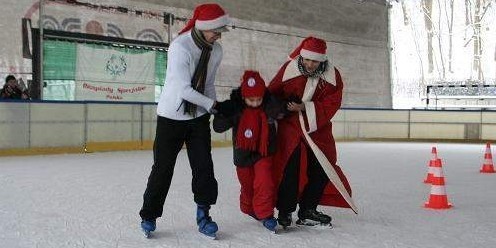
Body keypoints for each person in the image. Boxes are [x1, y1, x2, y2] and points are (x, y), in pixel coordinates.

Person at [139, 3, 231, 239]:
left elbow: (208, 84)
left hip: (197, 118)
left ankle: (203, 213)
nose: (219, 35)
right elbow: (183, 89)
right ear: (203, 27)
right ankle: (149, 215)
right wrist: (213, 105)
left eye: (221, 31)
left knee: (204, 167)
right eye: (216, 30)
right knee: (162, 169)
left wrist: (214, 109)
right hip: (171, 117)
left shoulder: (216, 51)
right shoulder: (180, 47)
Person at [268, 36, 358, 229]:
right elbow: (272, 94)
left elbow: (332, 103)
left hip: (317, 128)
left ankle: (308, 209)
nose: (310, 64)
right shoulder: (289, 70)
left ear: (322, 60)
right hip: (290, 128)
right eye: (307, 59)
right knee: (289, 169)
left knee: (322, 168)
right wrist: (285, 107)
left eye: (314, 61)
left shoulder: (333, 77)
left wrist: (305, 108)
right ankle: (285, 211)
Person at [212, 71, 285, 232]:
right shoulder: (236, 109)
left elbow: (282, 109)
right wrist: (222, 112)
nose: (255, 103)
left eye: (259, 99)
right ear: (244, 97)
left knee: (264, 182)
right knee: (247, 184)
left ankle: (266, 215)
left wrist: (278, 104)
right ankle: (249, 208)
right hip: (242, 155)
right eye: (251, 100)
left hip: (263, 152)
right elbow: (218, 128)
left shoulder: (269, 105)